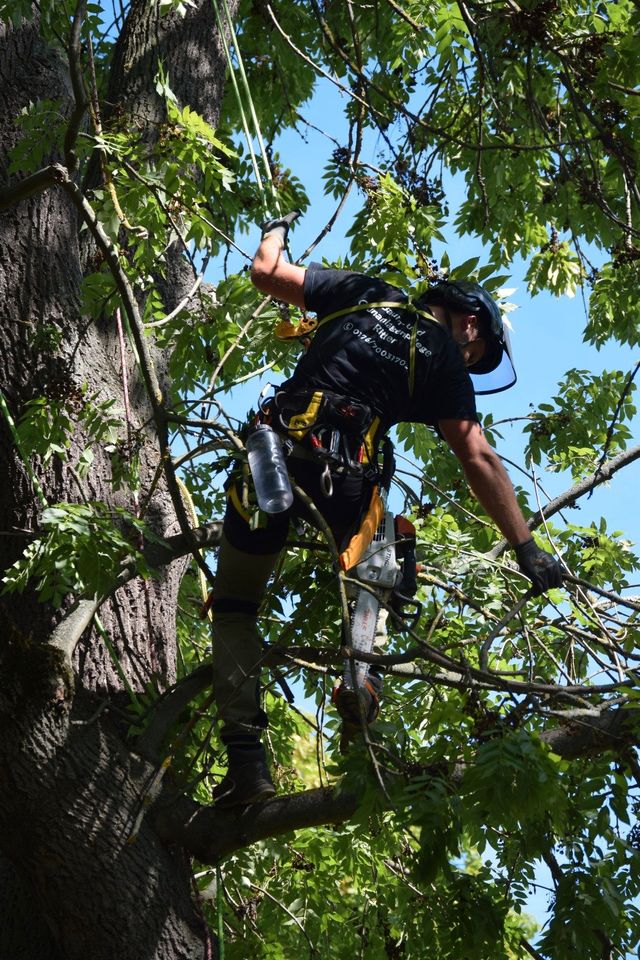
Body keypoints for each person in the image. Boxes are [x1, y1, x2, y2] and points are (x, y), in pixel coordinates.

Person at [209, 211, 563, 807]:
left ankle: (247, 764)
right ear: (470, 324)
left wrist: (275, 228)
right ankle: (361, 673)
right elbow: (475, 455)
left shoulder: (362, 293)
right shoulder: (443, 358)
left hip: (273, 457)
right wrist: (526, 549)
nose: (472, 365)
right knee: (389, 551)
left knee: (235, 610)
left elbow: (266, 272)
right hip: (343, 475)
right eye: (478, 356)